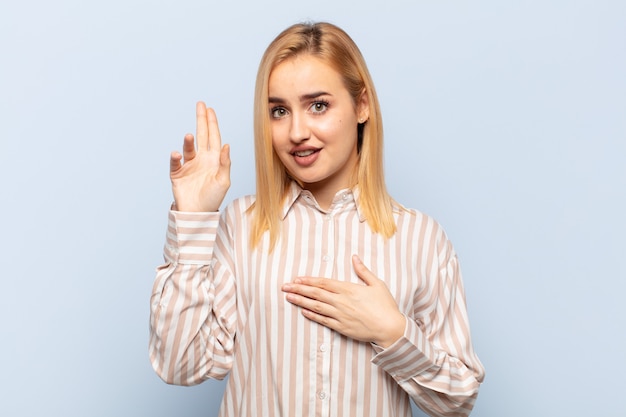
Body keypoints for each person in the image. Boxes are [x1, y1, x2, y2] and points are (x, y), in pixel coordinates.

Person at [149, 21, 485, 417]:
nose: (296, 132)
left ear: (362, 106)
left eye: (318, 105)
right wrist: (193, 218)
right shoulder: (240, 226)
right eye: (278, 111)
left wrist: (393, 332)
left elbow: (458, 399)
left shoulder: (421, 239)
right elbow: (178, 364)